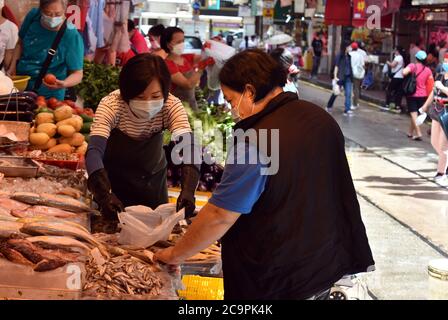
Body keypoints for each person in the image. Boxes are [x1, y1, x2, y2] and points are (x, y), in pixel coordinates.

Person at [155, 49, 375, 300]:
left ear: (249, 91)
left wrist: (174, 255)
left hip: (276, 277)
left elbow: (220, 215)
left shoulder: (254, 140)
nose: (231, 109)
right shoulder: (319, 118)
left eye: (230, 100)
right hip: (326, 264)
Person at [86, 53, 200, 231]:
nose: (148, 103)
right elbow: (94, 151)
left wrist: (189, 189)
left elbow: (189, 148)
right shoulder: (111, 105)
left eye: (155, 96)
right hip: (113, 184)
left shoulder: (171, 105)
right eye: (139, 97)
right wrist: (104, 194)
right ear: (126, 92)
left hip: (152, 183)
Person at [9, 0, 83, 101]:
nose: (52, 18)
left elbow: (77, 74)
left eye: (57, 14)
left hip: (49, 95)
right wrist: (12, 66)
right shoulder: (33, 16)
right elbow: (20, 43)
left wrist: (64, 84)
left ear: (65, 10)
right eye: (48, 13)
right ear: (41, 10)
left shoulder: (71, 34)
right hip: (20, 85)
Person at [161, 27, 213, 110]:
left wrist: (207, 48)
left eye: (183, 41)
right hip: (175, 108)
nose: (182, 44)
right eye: (178, 42)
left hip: (191, 104)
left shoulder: (186, 58)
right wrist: (200, 69)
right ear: (168, 45)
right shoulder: (167, 64)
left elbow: (204, 57)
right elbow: (188, 85)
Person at [417, 50, 448, 183]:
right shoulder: (441, 75)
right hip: (437, 111)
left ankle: (442, 172)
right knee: (434, 142)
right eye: (446, 61)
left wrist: (442, 88)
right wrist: (425, 107)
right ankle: (447, 163)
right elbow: (432, 92)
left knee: (444, 145)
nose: (446, 63)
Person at [402, 50, 433, 141]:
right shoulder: (428, 70)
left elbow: (404, 72)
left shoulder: (412, 66)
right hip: (423, 95)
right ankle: (410, 132)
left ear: (416, 58)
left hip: (412, 93)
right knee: (414, 113)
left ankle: (419, 133)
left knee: (413, 113)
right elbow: (430, 81)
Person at [326, 45, 354, 116]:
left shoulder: (349, 56)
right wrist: (335, 76)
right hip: (340, 77)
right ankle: (329, 105)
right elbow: (336, 66)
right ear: (345, 47)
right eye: (349, 47)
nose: (350, 48)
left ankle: (347, 110)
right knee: (336, 93)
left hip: (348, 77)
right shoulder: (340, 56)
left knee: (348, 93)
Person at [383, 46, 405, 113]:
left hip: (396, 77)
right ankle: (397, 105)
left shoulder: (398, 57)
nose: (394, 51)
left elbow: (393, 65)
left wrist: (388, 62)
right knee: (398, 92)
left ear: (398, 51)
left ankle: (387, 104)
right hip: (401, 77)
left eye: (395, 50)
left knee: (389, 90)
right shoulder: (402, 58)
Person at [349, 42, 366, 110]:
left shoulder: (349, 54)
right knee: (357, 88)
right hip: (358, 73)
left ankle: (350, 103)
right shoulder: (360, 55)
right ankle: (356, 103)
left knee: (350, 88)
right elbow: (363, 65)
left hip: (350, 73)